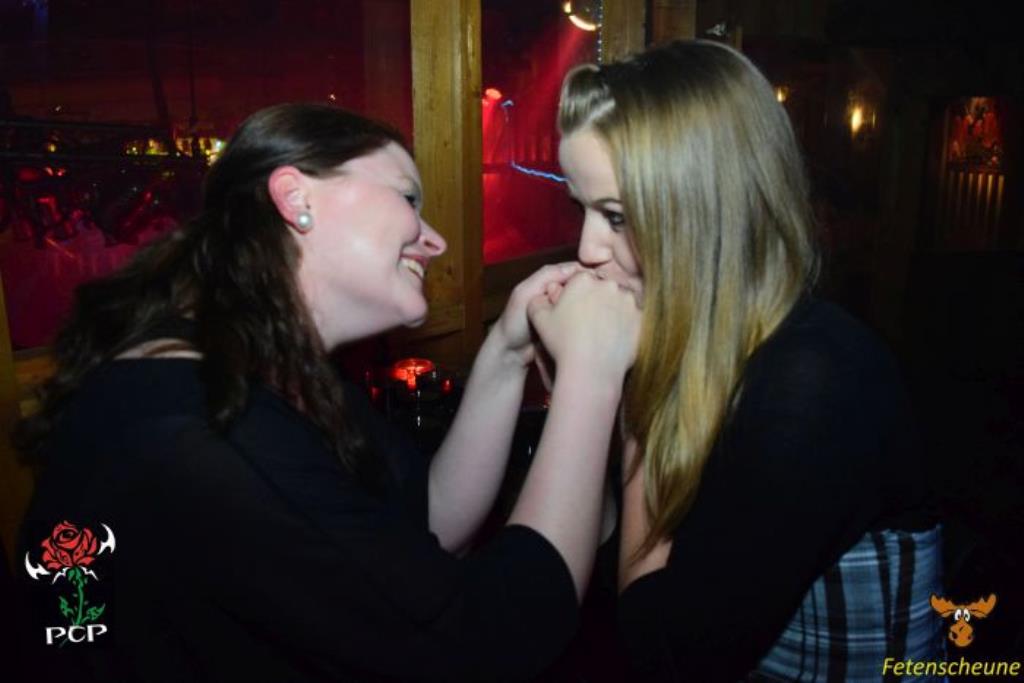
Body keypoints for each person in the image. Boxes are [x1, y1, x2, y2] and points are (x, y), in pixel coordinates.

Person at [15, 103, 640, 681]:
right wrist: (591, 376)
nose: (435, 240)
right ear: (296, 198)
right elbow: (492, 640)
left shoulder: (263, 368)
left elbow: (425, 521)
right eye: (408, 197)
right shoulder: (209, 435)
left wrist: (505, 352)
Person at [555, 40, 944, 681]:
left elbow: (664, 653)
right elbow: (600, 573)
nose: (587, 249)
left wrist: (627, 398)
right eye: (583, 209)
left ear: (706, 214)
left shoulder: (815, 382)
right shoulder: (707, 346)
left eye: (616, 217)